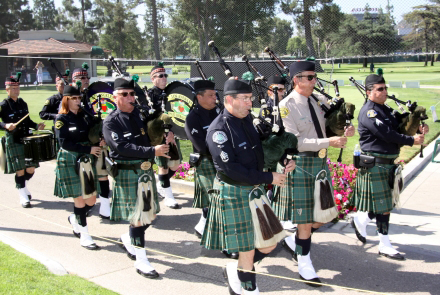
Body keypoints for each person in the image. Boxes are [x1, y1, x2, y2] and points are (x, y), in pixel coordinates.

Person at [202, 78, 294, 294]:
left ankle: (236, 270)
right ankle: (247, 287)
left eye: (250, 98)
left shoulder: (247, 120)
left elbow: (261, 151)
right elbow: (230, 169)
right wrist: (268, 178)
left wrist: (283, 159)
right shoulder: (219, 130)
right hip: (234, 191)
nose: (249, 103)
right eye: (244, 99)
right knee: (246, 250)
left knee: (269, 243)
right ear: (229, 100)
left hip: (254, 190)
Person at [276, 61, 355, 285]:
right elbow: (294, 142)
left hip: (320, 165)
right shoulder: (286, 105)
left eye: (314, 77)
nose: (314, 81)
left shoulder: (317, 100)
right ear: (296, 80)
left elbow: (328, 126)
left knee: (325, 216)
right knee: (304, 219)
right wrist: (328, 141)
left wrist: (343, 128)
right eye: (309, 77)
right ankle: (304, 260)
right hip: (301, 164)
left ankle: (295, 241)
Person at [351, 74, 427, 260]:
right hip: (376, 164)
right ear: (369, 92)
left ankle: (361, 219)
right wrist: (411, 140)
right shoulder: (369, 112)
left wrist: (416, 127)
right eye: (380, 89)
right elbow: (386, 134)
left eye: (385, 88)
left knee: (384, 205)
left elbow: (398, 126)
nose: (385, 92)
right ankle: (384, 244)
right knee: (385, 207)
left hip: (387, 164)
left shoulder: (384, 109)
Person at [103, 78, 171, 278]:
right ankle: (142, 261)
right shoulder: (111, 121)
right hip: (126, 172)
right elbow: (121, 147)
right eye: (124, 94)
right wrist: (153, 150)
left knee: (150, 216)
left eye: (131, 94)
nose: (130, 98)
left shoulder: (138, 115)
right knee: (139, 219)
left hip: (144, 172)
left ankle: (128, 237)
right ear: (115, 97)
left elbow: (149, 134)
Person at [54, 85, 102, 250]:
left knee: (91, 199)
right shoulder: (61, 119)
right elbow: (64, 143)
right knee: (80, 199)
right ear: (66, 100)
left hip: (86, 159)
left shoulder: (84, 116)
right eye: (73, 98)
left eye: (79, 98)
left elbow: (90, 135)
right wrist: (88, 149)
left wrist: (97, 141)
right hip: (70, 158)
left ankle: (75, 219)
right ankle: (84, 235)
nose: (77, 101)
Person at [72, 64, 111, 219]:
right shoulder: (69, 98)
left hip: (97, 141)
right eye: (81, 78)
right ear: (74, 80)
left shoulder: (93, 95)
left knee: (103, 173)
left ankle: (105, 206)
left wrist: (102, 137)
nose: (85, 80)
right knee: (85, 176)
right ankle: (84, 206)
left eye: (87, 77)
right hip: (81, 144)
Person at [0, 75, 45, 207]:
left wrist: (36, 126)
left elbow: (27, 121)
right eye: (13, 88)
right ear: (7, 90)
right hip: (14, 140)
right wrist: (5, 126)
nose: (16, 90)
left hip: (27, 140)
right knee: (20, 170)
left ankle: (22, 186)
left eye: (17, 87)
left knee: (30, 169)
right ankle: (23, 196)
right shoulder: (3, 105)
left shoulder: (23, 103)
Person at [147, 62, 180, 209]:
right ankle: (168, 196)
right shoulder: (149, 95)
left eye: (165, 75)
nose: (164, 78)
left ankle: (161, 184)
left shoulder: (171, 93)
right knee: (163, 166)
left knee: (176, 164)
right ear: (153, 79)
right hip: (159, 136)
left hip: (172, 134)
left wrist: (174, 132)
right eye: (160, 76)